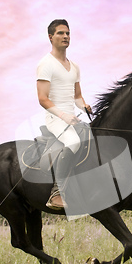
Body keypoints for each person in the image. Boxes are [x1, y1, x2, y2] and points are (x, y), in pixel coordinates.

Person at [36, 19, 92, 209]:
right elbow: (43, 99)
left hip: (72, 117)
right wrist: (62, 115)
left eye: (67, 33)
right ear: (51, 37)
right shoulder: (46, 64)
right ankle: (56, 193)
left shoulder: (74, 66)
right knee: (74, 142)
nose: (66, 36)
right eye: (61, 33)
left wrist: (84, 106)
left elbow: (77, 96)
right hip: (55, 118)